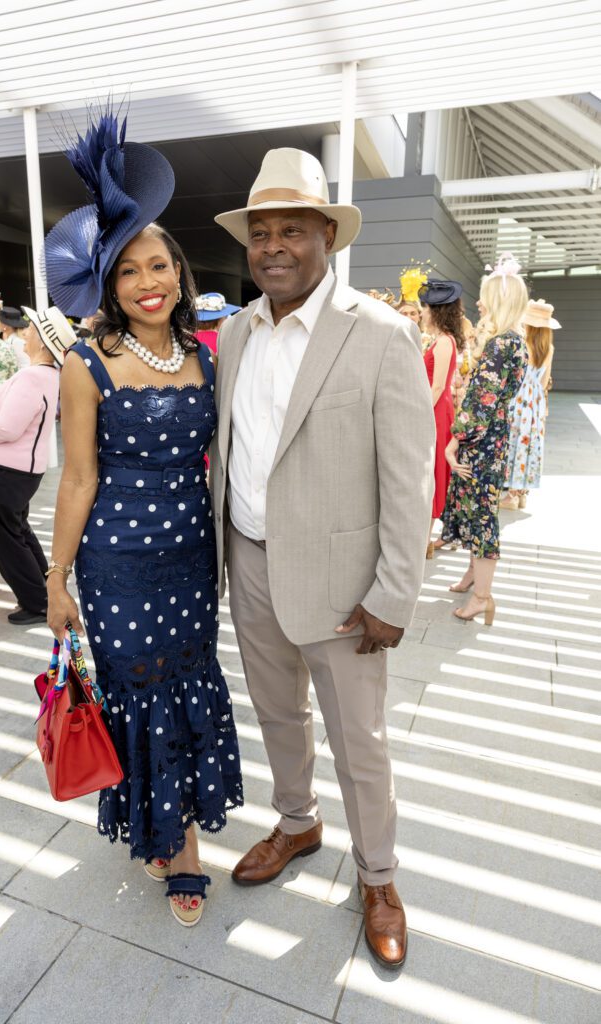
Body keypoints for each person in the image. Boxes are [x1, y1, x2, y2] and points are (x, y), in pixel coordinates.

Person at [211, 148, 435, 968]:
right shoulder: (236, 331)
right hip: (251, 563)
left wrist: (394, 596)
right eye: (259, 233)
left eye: (292, 231)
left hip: (345, 589)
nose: (272, 247)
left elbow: (410, 478)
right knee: (277, 716)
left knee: (360, 739)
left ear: (327, 238)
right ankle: (298, 824)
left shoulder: (379, 335)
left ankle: (378, 877)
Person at [43, 112, 243, 928]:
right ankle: (176, 847)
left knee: (189, 685)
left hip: (192, 558)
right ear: (106, 283)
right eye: (128, 271)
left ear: (178, 269)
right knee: (139, 692)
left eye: (158, 263)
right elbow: (77, 479)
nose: (146, 281)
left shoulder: (205, 353)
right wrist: (54, 580)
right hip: (116, 562)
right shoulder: (84, 365)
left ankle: (177, 829)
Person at [0, 307, 75, 624]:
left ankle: (38, 602)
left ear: (41, 339)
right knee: (17, 532)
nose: (25, 331)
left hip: (3, 471)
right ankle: (45, 595)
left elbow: (8, 428)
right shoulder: (48, 376)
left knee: (4, 538)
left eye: (32, 328)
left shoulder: (33, 377)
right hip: (17, 471)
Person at [441, 253, 528, 623]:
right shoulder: (515, 341)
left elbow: (481, 402)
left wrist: (455, 439)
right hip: (495, 440)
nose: (479, 302)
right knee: (478, 510)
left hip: (480, 443)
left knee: (481, 516)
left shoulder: (499, 345)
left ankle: (482, 595)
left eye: (485, 296)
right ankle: (474, 576)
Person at [419, 279, 464, 558]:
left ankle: (425, 540)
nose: (422, 312)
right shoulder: (441, 340)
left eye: (425, 307)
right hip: (436, 408)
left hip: (436, 410)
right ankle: (424, 539)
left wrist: (421, 413)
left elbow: (437, 386)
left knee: (433, 469)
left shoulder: (445, 341)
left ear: (437, 310)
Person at [500, 299, 558, 510]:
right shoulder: (548, 348)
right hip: (535, 402)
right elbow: (544, 382)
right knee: (529, 443)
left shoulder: (523, 343)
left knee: (513, 443)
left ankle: (511, 496)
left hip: (518, 399)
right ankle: (521, 493)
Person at [0, 306, 31, 370]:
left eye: (0, 321)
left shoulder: (17, 342)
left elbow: (25, 365)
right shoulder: (11, 340)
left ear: (5, 325)